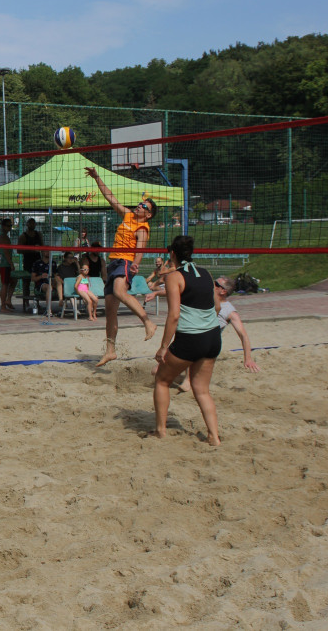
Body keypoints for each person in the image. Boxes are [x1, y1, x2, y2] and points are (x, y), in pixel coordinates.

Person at [85, 166, 158, 366]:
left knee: (119, 291)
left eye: (145, 206)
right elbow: (110, 197)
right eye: (141, 203)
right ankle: (111, 350)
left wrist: (135, 264)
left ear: (149, 215)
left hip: (125, 262)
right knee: (110, 312)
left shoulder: (142, 227)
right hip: (114, 262)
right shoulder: (128, 216)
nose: (140, 206)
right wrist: (97, 177)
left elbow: (141, 248)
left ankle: (147, 321)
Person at [152, 236, 221, 446]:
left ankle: (161, 431)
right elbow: (217, 307)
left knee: (162, 380)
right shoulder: (207, 274)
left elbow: (174, 315)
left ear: (172, 254)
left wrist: (163, 347)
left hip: (191, 338)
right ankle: (214, 437)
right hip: (212, 337)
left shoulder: (174, 277)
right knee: (202, 390)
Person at [0, 218, 16, 312]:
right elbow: (6, 251)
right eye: (8, 225)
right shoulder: (3, 237)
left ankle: (8, 300)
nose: (10, 227)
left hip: (3, 263)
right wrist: (11, 263)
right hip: (4, 263)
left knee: (13, 280)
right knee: (5, 283)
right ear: (3, 226)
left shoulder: (4, 236)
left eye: (11, 225)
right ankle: (3, 306)